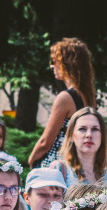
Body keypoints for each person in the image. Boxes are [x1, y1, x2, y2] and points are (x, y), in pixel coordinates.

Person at [28, 37, 94, 169]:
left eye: (54, 61)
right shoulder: (89, 96)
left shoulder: (65, 98)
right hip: (80, 163)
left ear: (66, 64)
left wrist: (32, 160)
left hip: (58, 164)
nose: (52, 66)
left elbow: (45, 142)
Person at [50, 107, 107, 187]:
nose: (89, 135)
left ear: (102, 136)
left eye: (95, 129)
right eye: (82, 129)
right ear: (71, 136)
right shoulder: (59, 170)